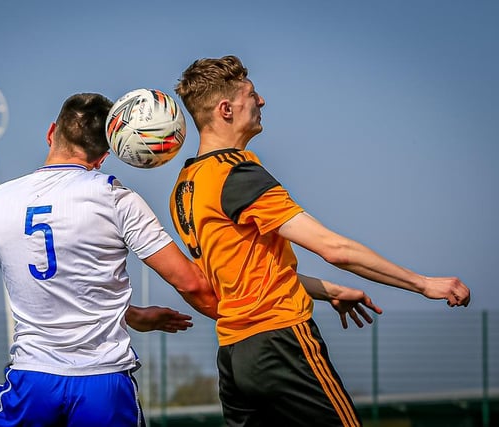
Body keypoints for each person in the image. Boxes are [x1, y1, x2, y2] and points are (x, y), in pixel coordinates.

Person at [169, 55, 471, 427]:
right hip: (282, 343)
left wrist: (329, 291)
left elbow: (240, 279)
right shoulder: (236, 173)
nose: (261, 101)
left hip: (235, 357)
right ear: (226, 108)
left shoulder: (186, 188)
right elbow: (335, 249)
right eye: (252, 94)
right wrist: (424, 284)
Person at [0, 92, 221, 427]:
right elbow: (192, 284)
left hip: (32, 378)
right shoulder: (114, 197)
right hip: (102, 382)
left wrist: (128, 314)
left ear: (52, 133)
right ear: (106, 154)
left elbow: (50, 283)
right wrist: (251, 323)